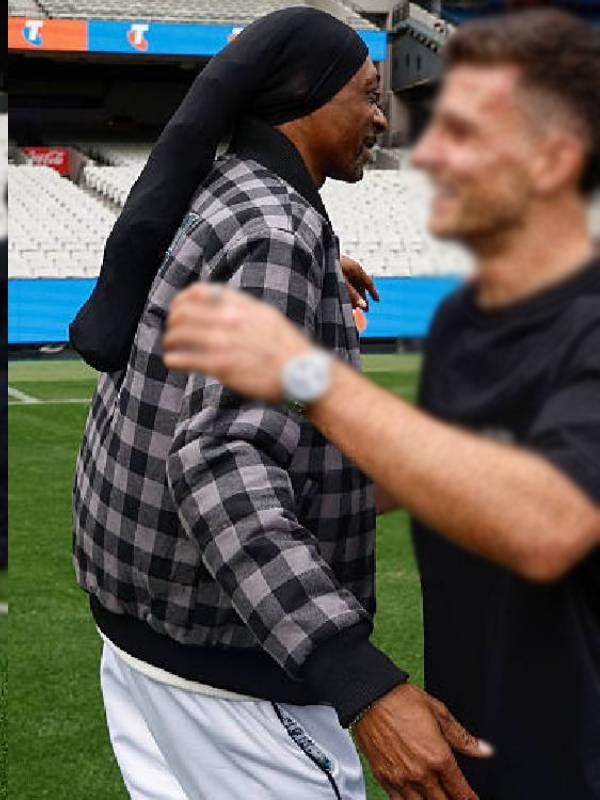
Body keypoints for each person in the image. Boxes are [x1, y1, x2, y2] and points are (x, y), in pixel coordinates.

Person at [163, 10, 600, 800]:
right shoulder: (472, 319)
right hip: (474, 749)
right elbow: (441, 477)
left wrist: (305, 376)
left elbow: (549, 524)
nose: (425, 154)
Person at [71, 8, 492, 800]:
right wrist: (359, 680)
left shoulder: (226, 189)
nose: (382, 118)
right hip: (226, 681)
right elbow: (217, 461)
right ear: (304, 95)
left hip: (140, 643)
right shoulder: (275, 229)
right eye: (368, 94)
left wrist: (320, 266)